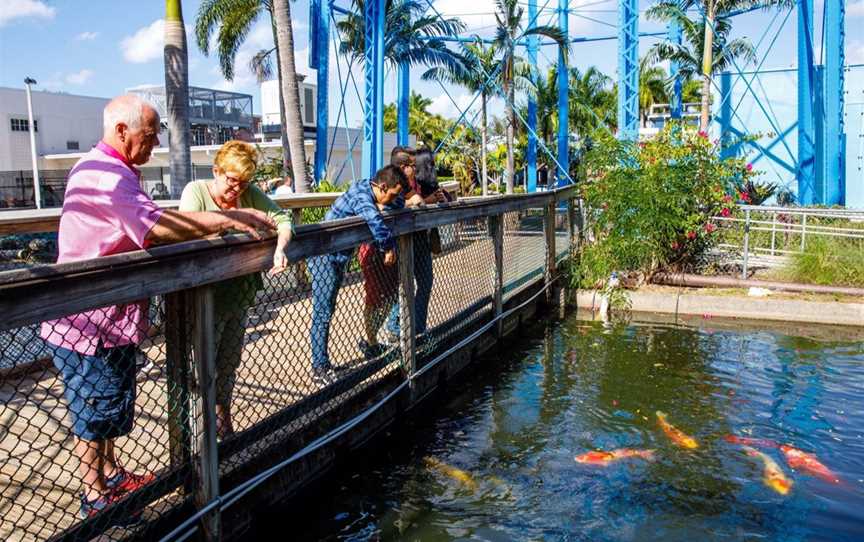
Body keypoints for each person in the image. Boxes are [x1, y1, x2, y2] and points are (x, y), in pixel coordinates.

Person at [39, 95, 276, 520]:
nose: (154, 143)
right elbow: (153, 229)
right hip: (89, 320)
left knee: (108, 403)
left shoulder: (114, 171)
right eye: (149, 135)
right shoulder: (106, 176)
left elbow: (144, 220)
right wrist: (230, 220)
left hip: (107, 317)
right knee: (92, 410)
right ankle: (94, 495)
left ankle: (109, 475)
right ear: (122, 131)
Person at [179, 140, 293, 438]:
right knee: (202, 367)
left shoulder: (249, 194)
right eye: (232, 181)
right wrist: (236, 220)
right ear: (216, 171)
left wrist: (279, 248)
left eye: (244, 183)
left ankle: (221, 420)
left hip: (238, 294)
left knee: (228, 363)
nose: (237, 189)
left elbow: (282, 218)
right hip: (206, 297)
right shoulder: (196, 191)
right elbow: (187, 228)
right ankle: (199, 434)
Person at [309, 165, 408, 385]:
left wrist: (396, 199)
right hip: (324, 257)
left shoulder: (373, 191)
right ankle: (319, 366)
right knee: (323, 312)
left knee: (328, 310)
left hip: (338, 258)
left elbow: (398, 202)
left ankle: (322, 362)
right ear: (382, 186)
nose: (394, 199)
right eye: (391, 194)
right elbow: (374, 220)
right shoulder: (361, 195)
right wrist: (388, 247)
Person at [382, 146, 448, 344]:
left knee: (426, 281)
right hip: (402, 239)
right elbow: (396, 205)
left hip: (421, 238)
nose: (414, 168)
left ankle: (418, 327)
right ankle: (394, 327)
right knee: (404, 284)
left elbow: (431, 198)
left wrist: (442, 199)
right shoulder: (393, 183)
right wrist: (426, 201)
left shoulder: (420, 182)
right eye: (411, 165)